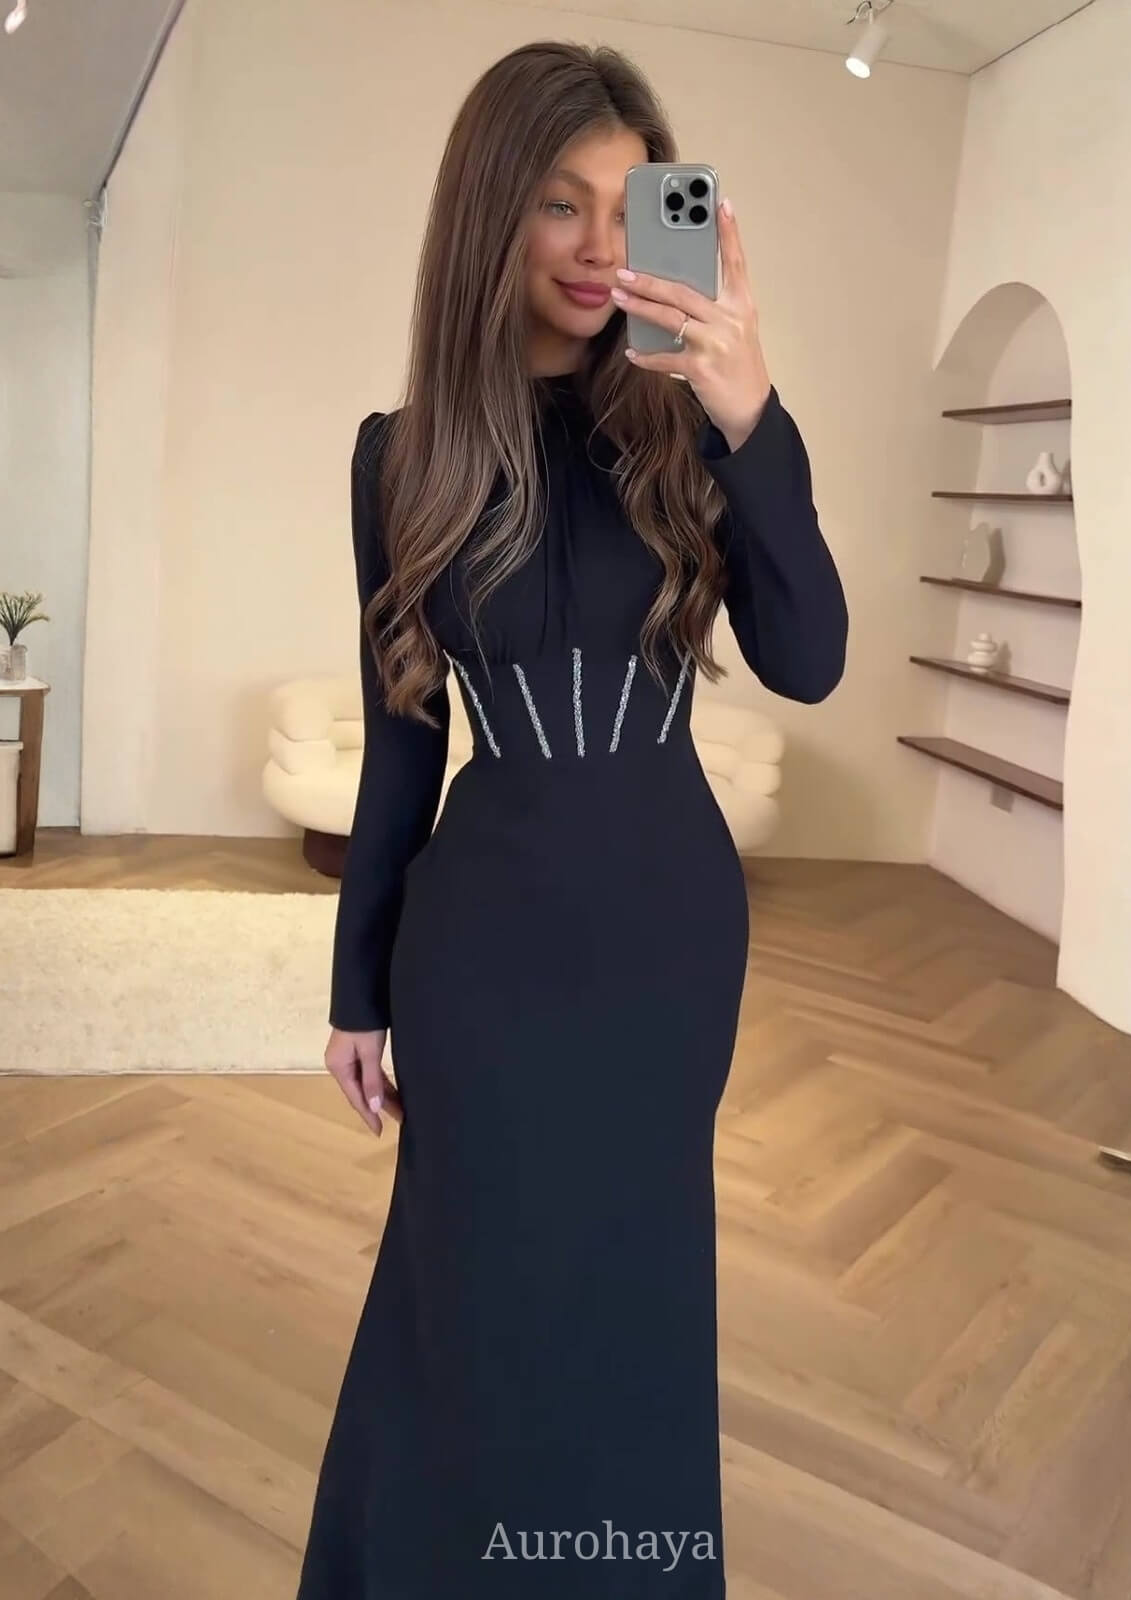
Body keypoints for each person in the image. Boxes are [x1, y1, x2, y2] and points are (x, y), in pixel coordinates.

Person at [295, 38, 848, 1600]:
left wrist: (752, 412)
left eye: (630, 205)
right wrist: (356, 989)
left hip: (666, 942)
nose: (603, 246)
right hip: (478, 951)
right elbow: (403, 747)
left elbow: (811, 660)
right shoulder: (400, 456)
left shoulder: (694, 429)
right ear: (491, 213)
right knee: (463, 1295)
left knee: (631, 1294)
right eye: (560, 204)